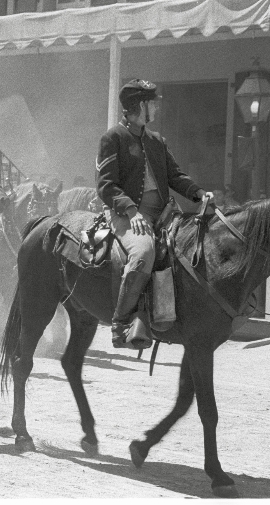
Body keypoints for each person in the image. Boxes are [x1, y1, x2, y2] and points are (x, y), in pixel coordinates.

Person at [97, 78, 210, 349]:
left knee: (197, 243)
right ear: (139, 106)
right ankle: (121, 323)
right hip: (127, 215)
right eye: (152, 103)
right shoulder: (113, 138)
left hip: (164, 214)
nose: (157, 107)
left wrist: (198, 193)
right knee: (144, 253)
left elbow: (175, 175)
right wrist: (132, 211)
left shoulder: (157, 141)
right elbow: (106, 186)